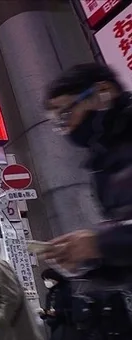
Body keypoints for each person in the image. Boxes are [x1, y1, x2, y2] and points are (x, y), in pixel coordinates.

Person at [42, 63, 132, 283]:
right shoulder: (101, 164)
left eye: (66, 115)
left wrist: (99, 244)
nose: (67, 129)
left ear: (103, 93)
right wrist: (90, 261)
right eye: (58, 124)